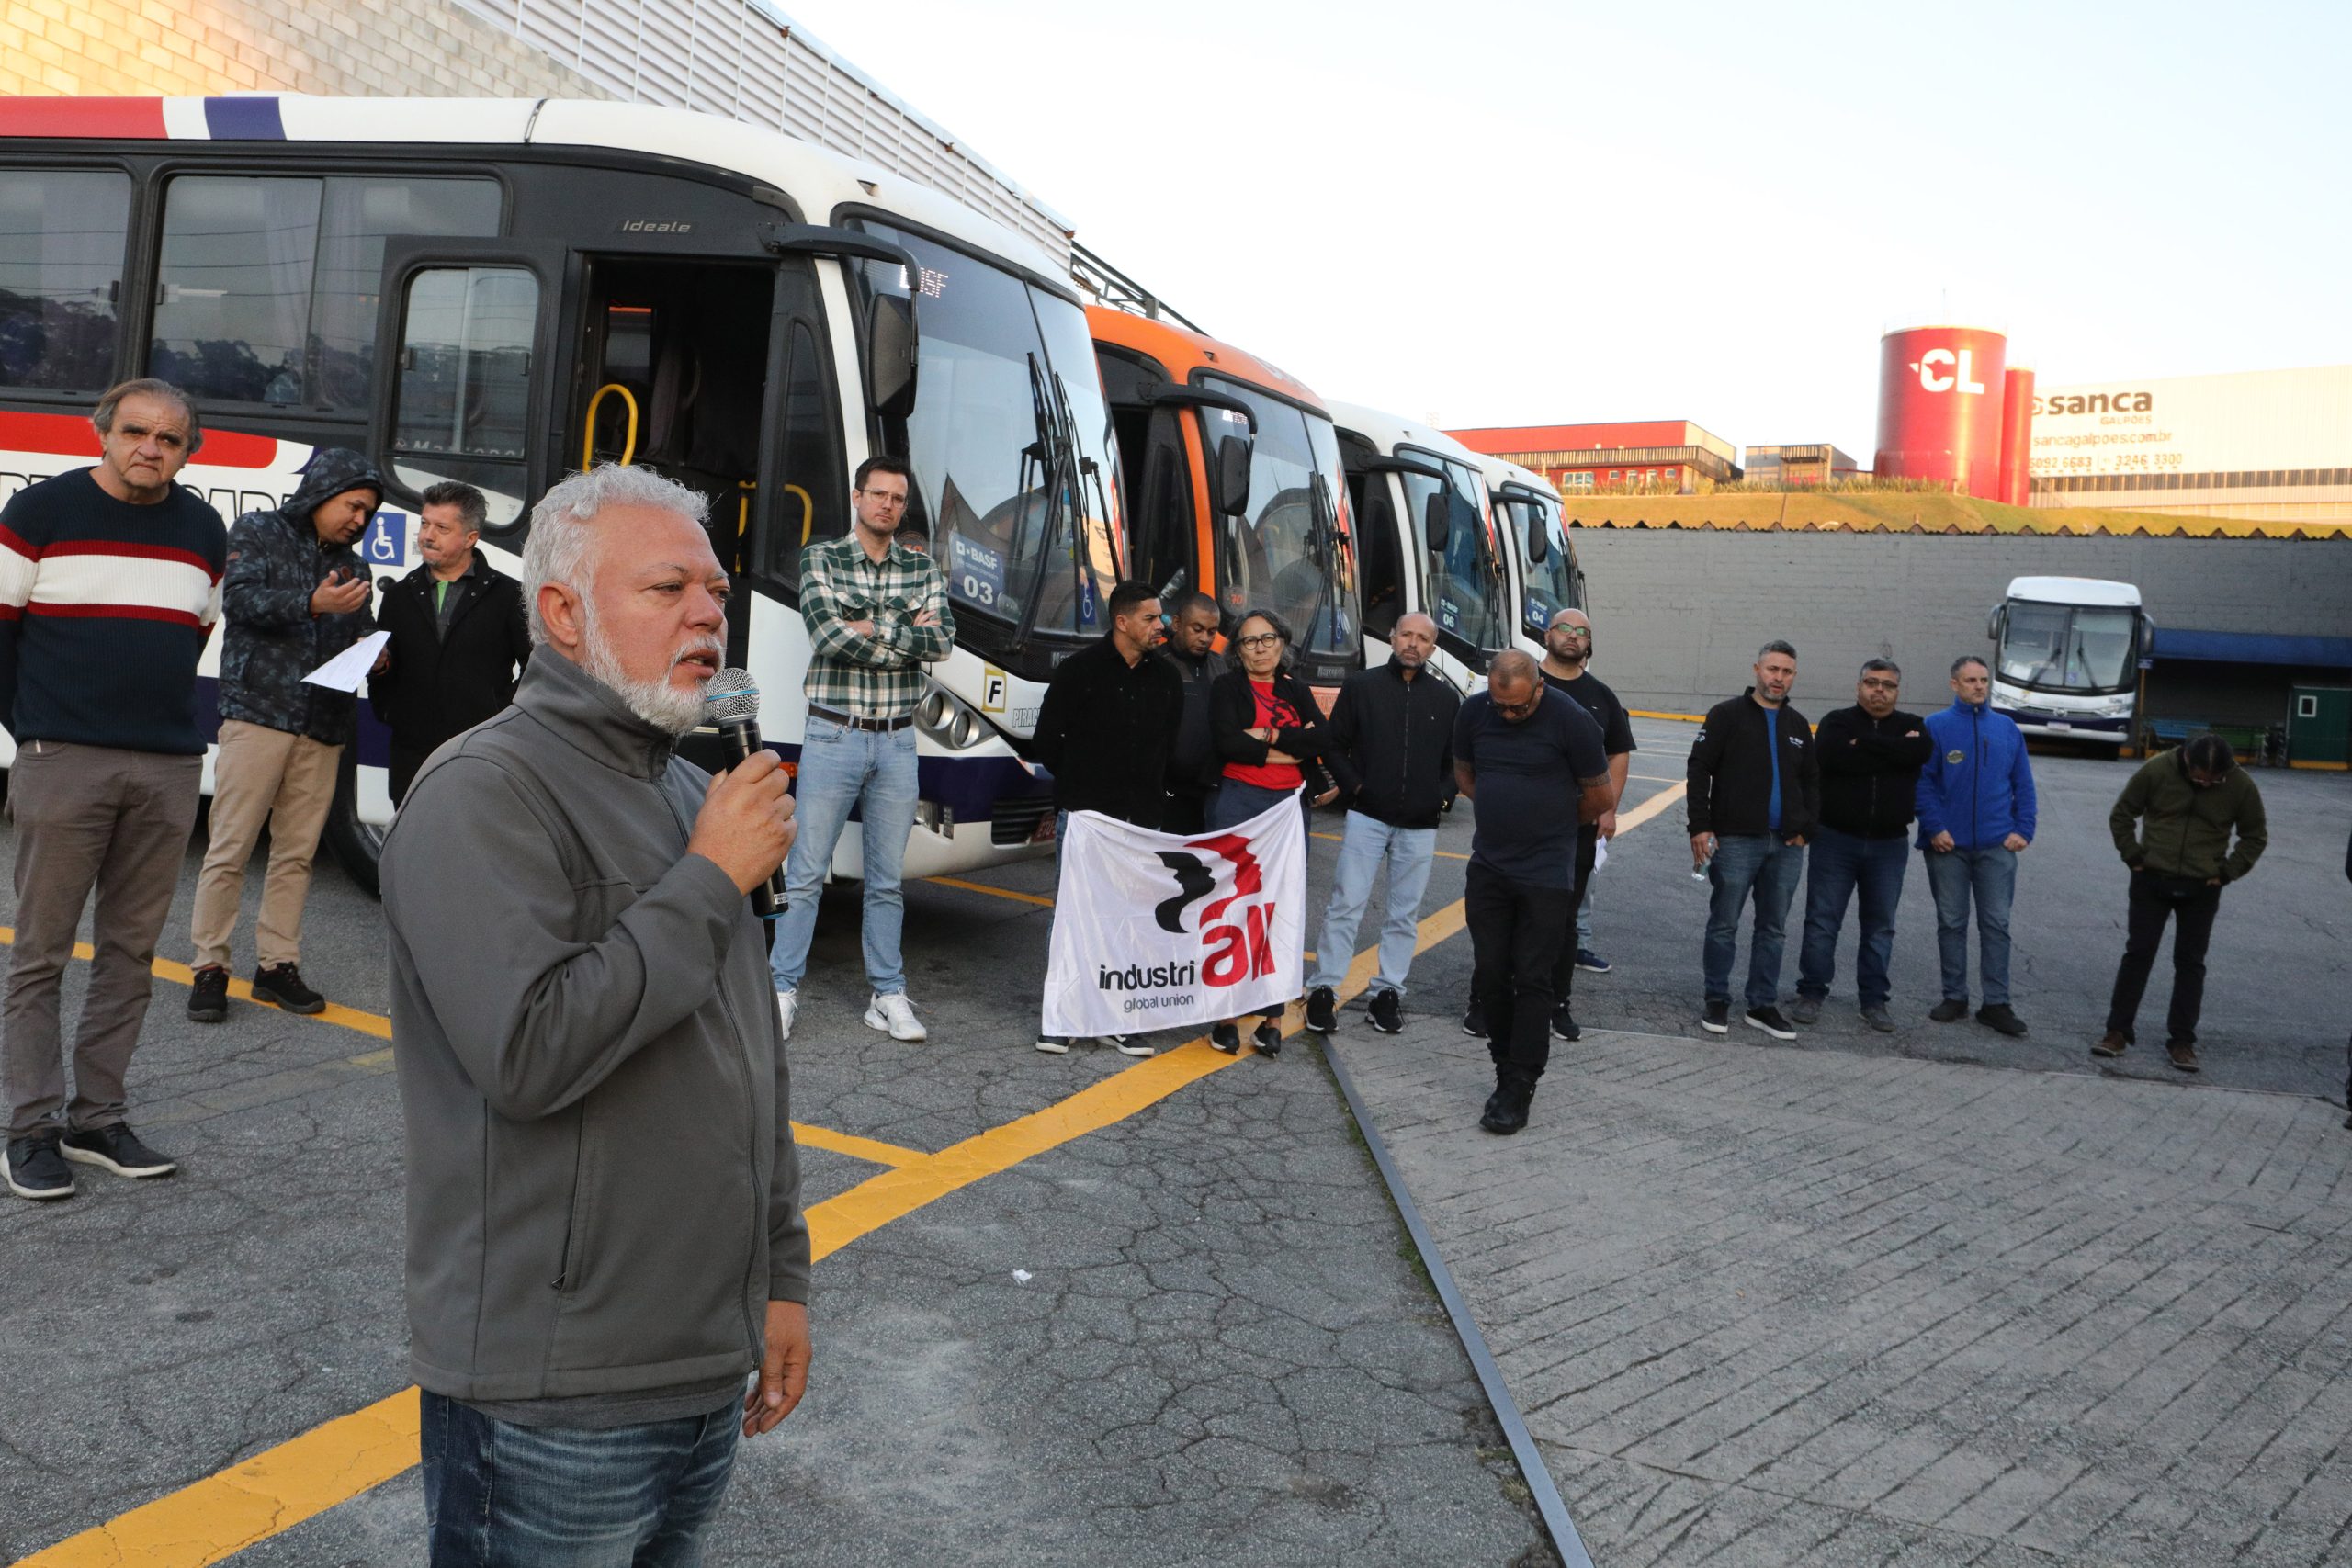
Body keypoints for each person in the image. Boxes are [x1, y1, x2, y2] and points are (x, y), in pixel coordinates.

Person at [382, 464, 809, 1565]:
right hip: (555, 1395)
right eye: (668, 587)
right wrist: (711, 882)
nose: (709, 613)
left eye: (715, 591)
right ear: (564, 614)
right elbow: (528, 1053)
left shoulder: (684, 790)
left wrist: (781, 1278)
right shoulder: (483, 789)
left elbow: (748, 1062)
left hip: (700, 1366)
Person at [0, 379, 225, 1201]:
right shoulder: (40, 513)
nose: (151, 449)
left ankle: (98, 1118)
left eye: (170, 439)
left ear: (187, 450)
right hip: (66, 759)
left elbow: (191, 634)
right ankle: (30, 1129)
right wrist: (34, 731)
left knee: (130, 954)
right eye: (136, 432)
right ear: (103, 432)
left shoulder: (204, 528)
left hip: (166, 767)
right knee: (41, 954)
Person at [187, 448, 384, 1024]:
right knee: (230, 847)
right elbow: (242, 603)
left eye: (368, 513)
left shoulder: (355, 567)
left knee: (296, 855)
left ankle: (277, 965)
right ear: (324, 491)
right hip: (258, 713)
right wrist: (312, 603)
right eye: (353, 506)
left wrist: (378, 654)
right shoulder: (259, 530)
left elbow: (361, 630)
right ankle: (209, 967)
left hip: (323, 724)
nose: (359, 520)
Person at [768, 455, 954, 1045]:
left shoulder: (921, 566)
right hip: (833, 733)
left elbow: (943, 640)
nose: (889, 507)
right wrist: (904, 631)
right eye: (879, 495)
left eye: (898, 499)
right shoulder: (821, 557)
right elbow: (826, 637)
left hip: (898, 739)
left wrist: (872, 626)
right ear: (857, 497)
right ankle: (780, 989)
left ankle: (888, 994)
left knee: (886, 881)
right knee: (804, 873)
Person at [1456, 650, 1613, 1135]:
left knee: (1533, 976)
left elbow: (1599, 797)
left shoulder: (1572, 720)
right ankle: (1503, 1064)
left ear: (1539, 687)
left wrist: (1548, 824)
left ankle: (1518, 1084)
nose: (1509, 715)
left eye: (1519, 708)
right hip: (1489, 866)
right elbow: (1465, 774)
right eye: (1501, 706)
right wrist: (1502, 808)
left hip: (1546, 872)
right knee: (1489, 972)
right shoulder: (1474, 712)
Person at [1032, 580, 1183, 1056]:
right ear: (1122, 621)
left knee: (1132, 921)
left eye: (1160, 617)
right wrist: (1082, 793)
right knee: (1075, 918)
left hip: (1141, 824)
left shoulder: (1167, 678)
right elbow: (1047, 743)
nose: (1161, 625)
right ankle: (1063, 1017)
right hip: (1086, 820)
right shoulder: (1079, 672)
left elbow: (1168, 745)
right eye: (1151, 618)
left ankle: (1120, 1017)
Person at [1302, 612, 1457, 1037]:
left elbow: (1456, 761)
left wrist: (1442, 796)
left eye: (1423, 638)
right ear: (1392, 638)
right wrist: (1357, 788)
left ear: (1432, 647)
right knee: (1345, 904)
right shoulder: (1361, 686)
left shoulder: (1445, 699)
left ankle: (1388, 991)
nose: (1413, 643)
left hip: (1421, 824)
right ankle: (1324, 990)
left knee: (1404, 915)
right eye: (1406, 633)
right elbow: (1335, 745)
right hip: (1368, 815)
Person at [1205, 609, 1346, 1058]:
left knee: (1280, 906)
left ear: (1282, 643)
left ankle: (1271, 1019)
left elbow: (1322, 740)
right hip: (1239, 803)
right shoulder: (1226, 688)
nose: (1261, 648)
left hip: (1288, 810)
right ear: (1237, 651)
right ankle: (1224, 1016)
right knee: (1231, 901)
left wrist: (1263, 735)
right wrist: (1289, 744)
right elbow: (1227, 743)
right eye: (1249, 642)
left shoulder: (1296, 688)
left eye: (1268, 638)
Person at [2095, 733, 2267, 1073]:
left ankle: (2182, 1042)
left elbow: (2255, 835)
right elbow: (2122, 814)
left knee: (2191, 963)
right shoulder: (2157, 770)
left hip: (2203, 886)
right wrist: (2133, 856)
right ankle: (2117, 1032)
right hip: (2151, 880)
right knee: (2138, 954)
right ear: (2188, 760)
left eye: (2214, 780)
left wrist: (2228, 872)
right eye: (2200, 778)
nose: (2206, 785)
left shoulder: (2240, 785)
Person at [1688, 640, 1819, 1042]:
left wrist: (1805, 828)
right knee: (1725, 923)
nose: (1778, 678)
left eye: (1787, 672)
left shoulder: (1798, 725)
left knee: (1773, 928)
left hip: (1786, 845)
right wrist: (1700, 827)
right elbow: (1699, 768)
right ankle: (1717, 999)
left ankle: (1762, 1004)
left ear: (1793, 676)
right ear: (1757, 670)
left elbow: (1812, 781)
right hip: (1735, 840)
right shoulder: (1726, 715)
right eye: (1772, 669)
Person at [368, 480, 530, 806]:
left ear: (471, 537)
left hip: (480, 754)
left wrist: (499, 715)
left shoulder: (509, 596)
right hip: (410, 757)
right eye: (425, 524)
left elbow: (534, 667)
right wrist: (385, 684)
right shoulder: (398, 596)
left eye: (442, 527)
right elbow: (383, 672)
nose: (427, 535)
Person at [1793, 659, 1931, 1032]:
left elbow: (1918, 755)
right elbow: (1834, 758)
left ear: (1897, 691)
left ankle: (1873, 1001)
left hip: (1889, 846)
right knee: (1822, 921)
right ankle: (1811, 993)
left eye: (1888, 685)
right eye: (1872, 683)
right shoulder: (1837, 723)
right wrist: (1891, 750)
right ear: (1859, 687)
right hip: (1836, 839)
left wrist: (1866, 745)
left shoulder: (1914, 727)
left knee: (1880, 926)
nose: (1879, 690)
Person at [1916, 655, 2036, 1036]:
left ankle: (1996, 1004)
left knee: (1996, 924)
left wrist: (2024, 829)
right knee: (1951, 922)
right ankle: (1955, 997)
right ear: (1954, 685)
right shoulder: (1935, 727)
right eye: (1970, 680)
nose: (1979, 686)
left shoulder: (2007, 729)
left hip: (1997, 847)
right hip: (1947, 846)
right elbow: (1923, 783)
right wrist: (1934, 827)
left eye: (1984, 680)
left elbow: (2024, 784)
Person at [1540, 606, 1634, 1036]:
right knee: (1510, 915)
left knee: (1564, 919)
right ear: (1547, 635)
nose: (1574, 636)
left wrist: (1608, 808)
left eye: (1583, 632)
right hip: (1521, 826)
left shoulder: (1601, 696)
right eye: (1565, 628)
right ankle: (1489, 1001)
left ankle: (1557, 1003)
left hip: (1577, 827)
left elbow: (1618, 752)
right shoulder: (1524, 683)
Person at [1159, 591, 1227, 834]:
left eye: (1211, 631)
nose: (1205, 638)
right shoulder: (1156, 665)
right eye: (1197, 629)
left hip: (1212, 791)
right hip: (1166, 791)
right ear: (1177, 623)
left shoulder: (1222, 667)